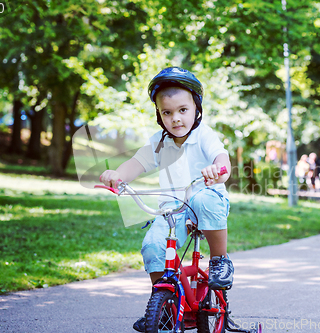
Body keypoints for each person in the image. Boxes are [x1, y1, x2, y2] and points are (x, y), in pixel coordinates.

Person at [99, 67, 233, 331]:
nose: (176, 118)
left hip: (205, 203)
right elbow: (137, 163)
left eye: (183, 110)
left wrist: (217, 170)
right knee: (152, 245)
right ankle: (164, 301)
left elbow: (223, 159)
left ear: (196, 108)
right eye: (167, 112)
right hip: (173, 210)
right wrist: (117, 175)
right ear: (159, 116)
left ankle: (220, 261)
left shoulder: (203, 135)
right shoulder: (159, 141)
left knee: (204, 200)